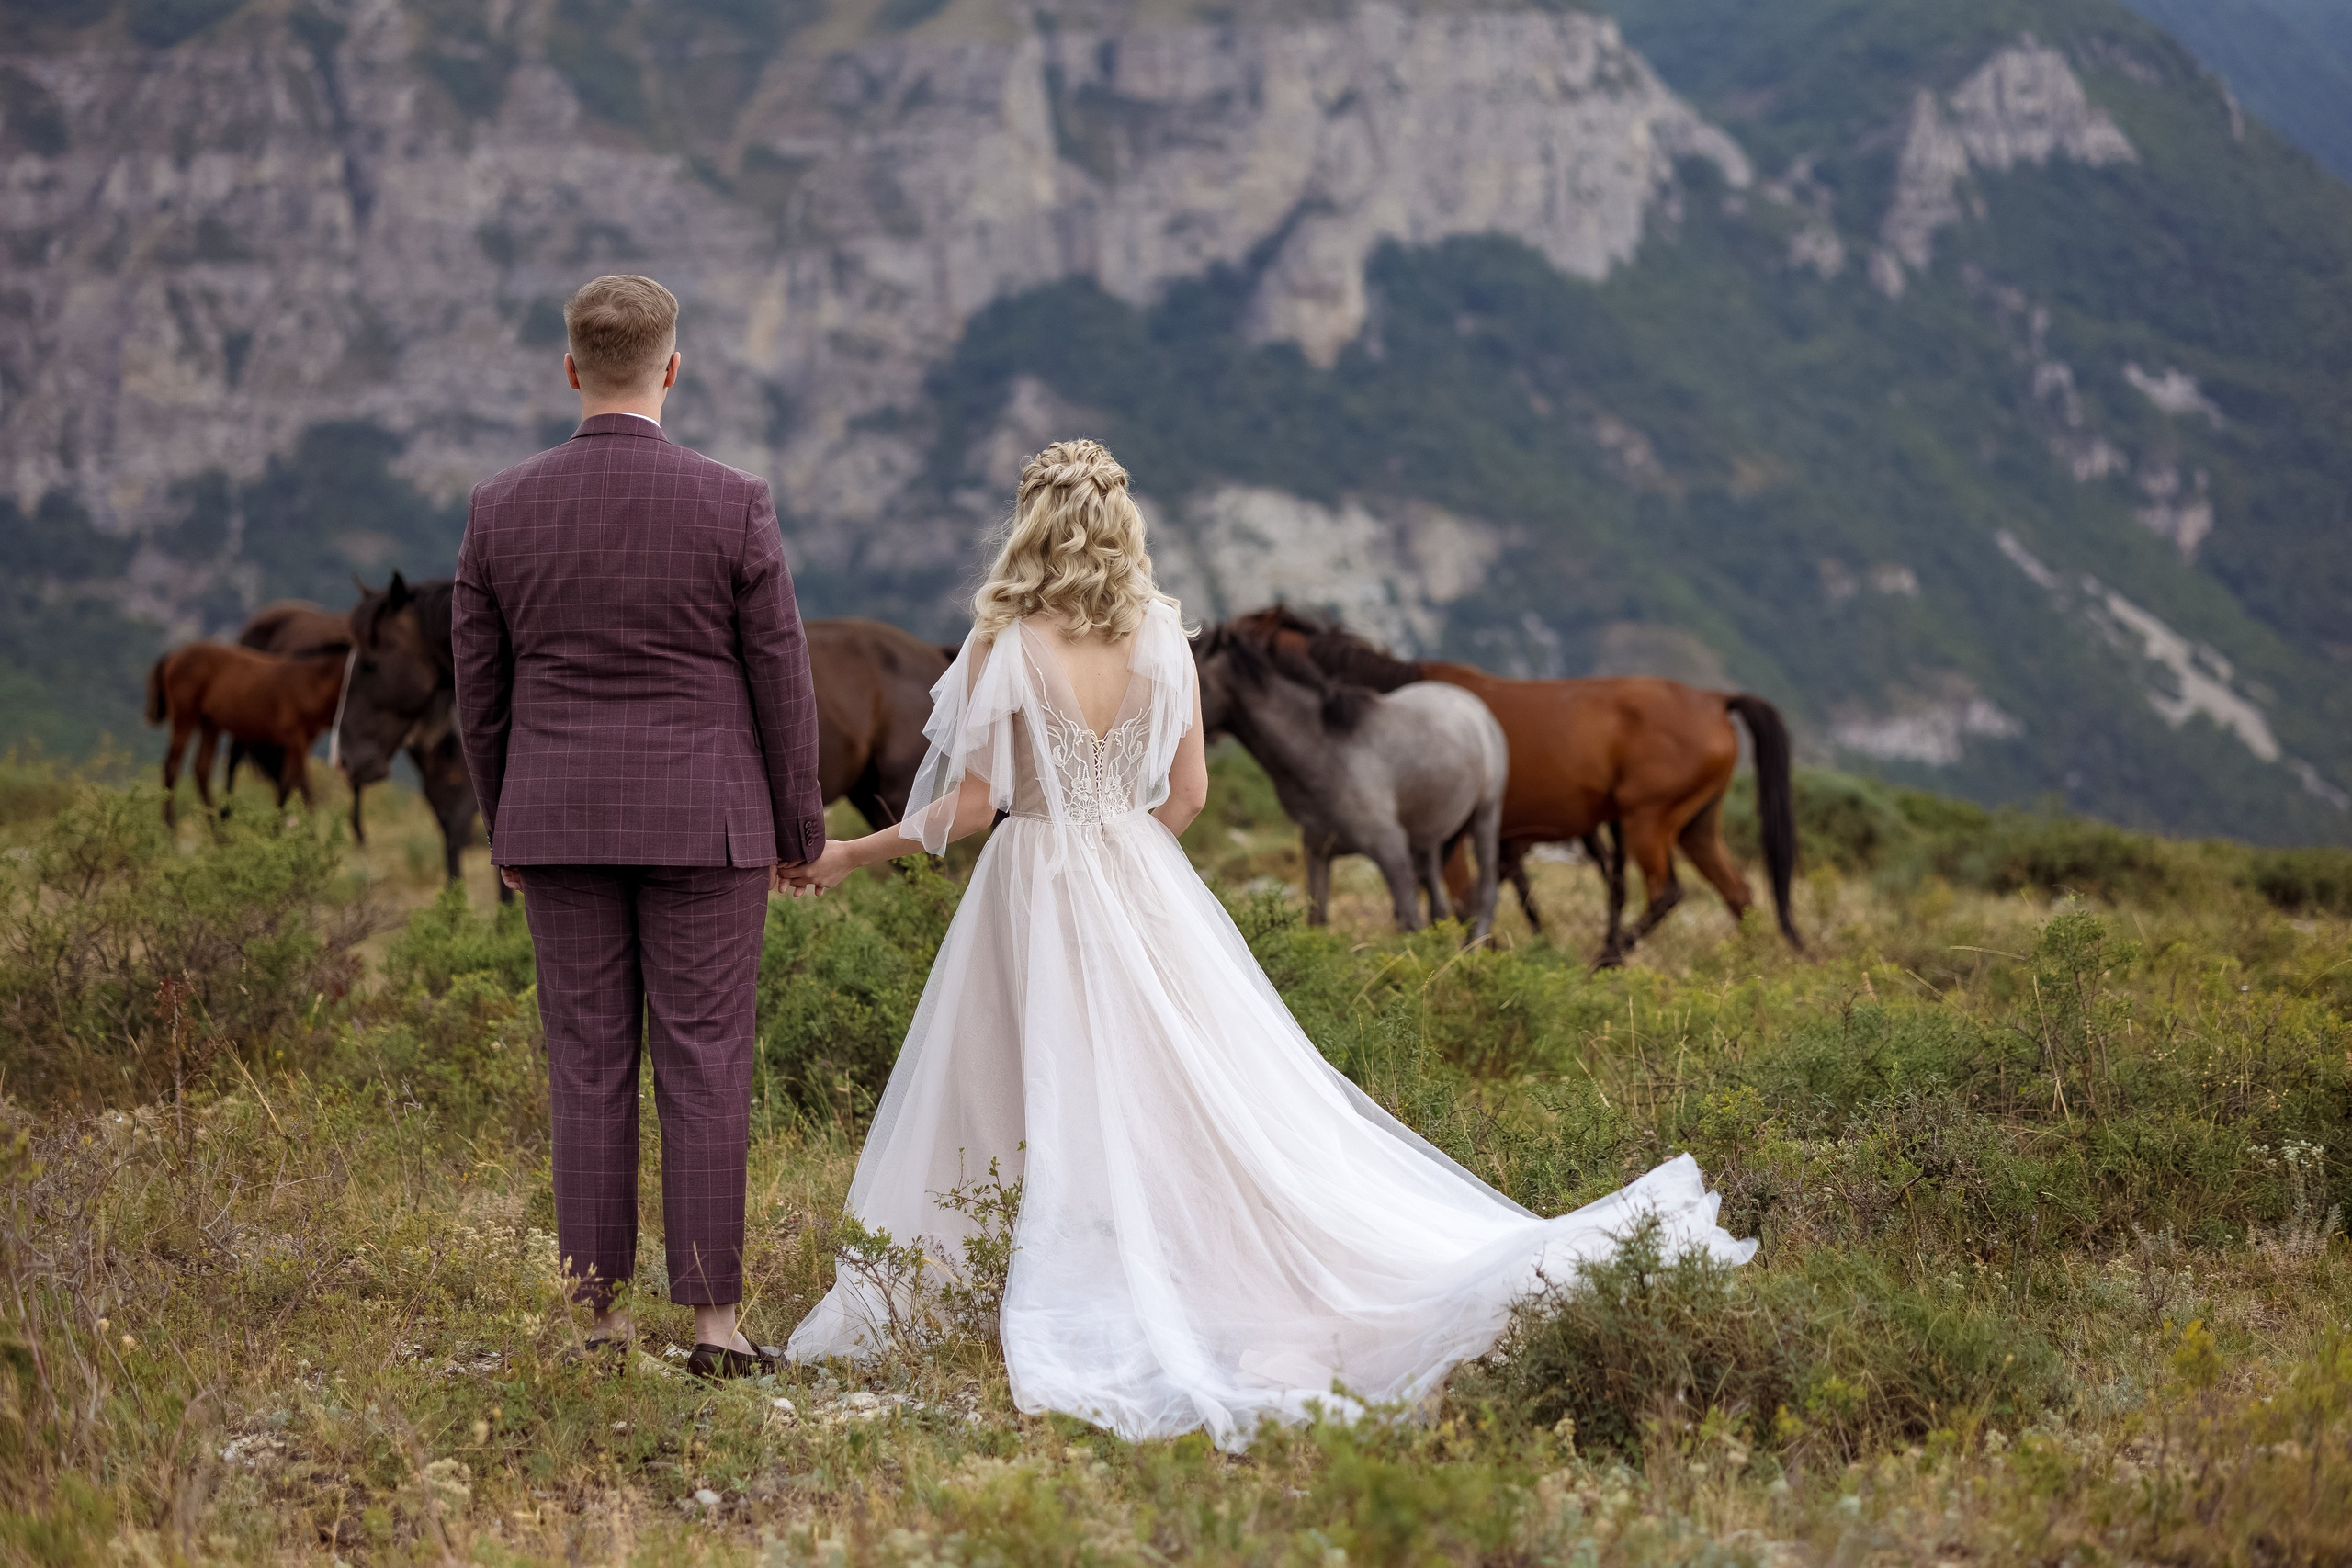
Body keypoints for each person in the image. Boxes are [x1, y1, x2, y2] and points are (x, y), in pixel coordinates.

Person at [779, 438, 1756, 1448]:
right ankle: (1162, 1262)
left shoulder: (1004, 643)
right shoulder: (1162, 636)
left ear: (1028, 524)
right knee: (1178, 1089)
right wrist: (1123, 869)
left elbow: (975, 804)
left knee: (1017, 1081)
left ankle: (1024, 1270)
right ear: (1122, 526)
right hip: (1140, 875)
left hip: (1035, 880)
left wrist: (853, 852)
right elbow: (1190, 795)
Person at [452, 274, 825, 1379]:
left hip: (556, 820)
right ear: (673, 367)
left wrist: (502, 822)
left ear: (571, 368)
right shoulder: (735, 501)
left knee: (588, 1064)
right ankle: (713, 1327)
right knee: (706, 1062)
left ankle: (600, 1323)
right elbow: (783, 678)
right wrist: (796, 829)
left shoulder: (497, 506)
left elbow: (480, 691)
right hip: (707, 824)